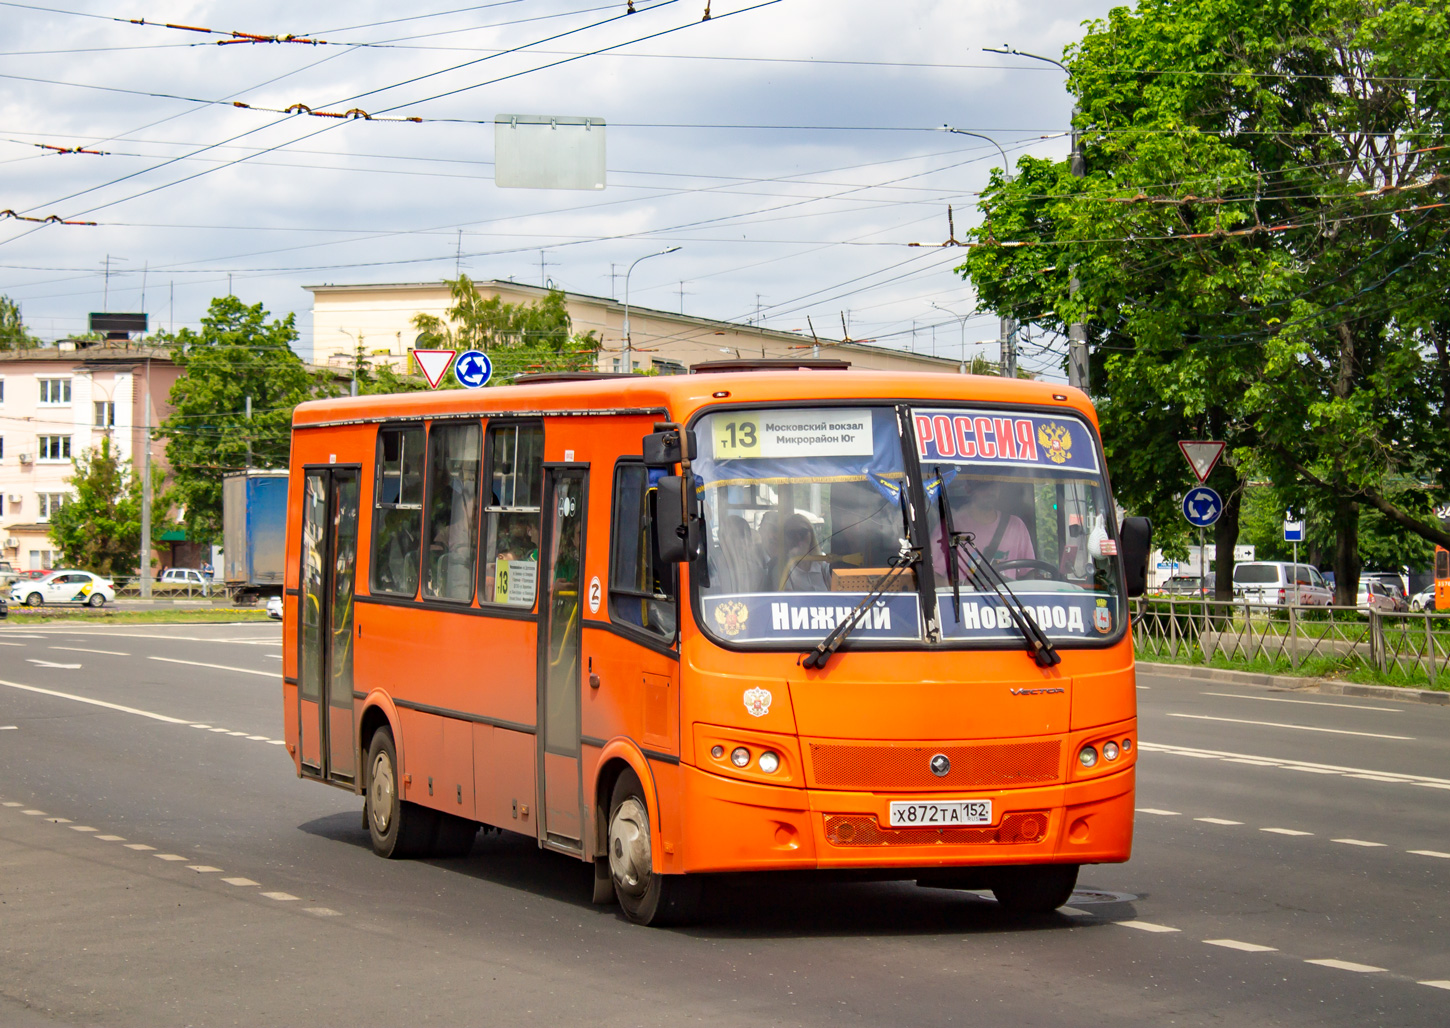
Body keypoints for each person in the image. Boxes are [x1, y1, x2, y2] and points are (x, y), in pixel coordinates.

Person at [934, 476, 1034, 580]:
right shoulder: (950, 526)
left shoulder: (1016, 526)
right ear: (968, 489)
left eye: (994, 485)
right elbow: (934, 574)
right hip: (964, 596)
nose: (990, 491)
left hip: (1007, 596)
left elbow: (1029, 573)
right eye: (983, 485)